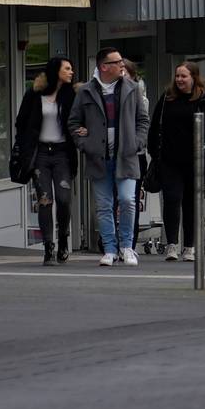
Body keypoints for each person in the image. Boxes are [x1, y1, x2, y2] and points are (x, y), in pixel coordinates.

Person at [72, 47, 150, 266]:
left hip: (126, 155)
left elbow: (143, 120)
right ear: (104, 67)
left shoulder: (132, 88)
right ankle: (109, 249)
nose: (122, 65)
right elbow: (73, 122)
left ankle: (127, 247)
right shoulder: (86, 91)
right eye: (118, 62)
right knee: (104, 205)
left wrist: (137, 142)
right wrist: (83, 143)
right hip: (98, 157)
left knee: (128, 200)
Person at [15, 57, 79, 265]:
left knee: (63, 199)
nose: (71, 72)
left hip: (62, 154)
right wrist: (24, 148)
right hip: (40, 153)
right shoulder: (35, 94)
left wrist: (83, 130)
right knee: (45, 200)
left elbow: (80, 120)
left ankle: (63, 240)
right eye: (67, 68)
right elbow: (21, 122)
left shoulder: (72, 95)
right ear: (55, 71)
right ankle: (48, 247)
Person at [147, 64, 205, 261]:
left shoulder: (204, 99)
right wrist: (154, 154)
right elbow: (155, 125)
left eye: (184, 76)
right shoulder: (167, 98)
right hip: (169, 160)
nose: (179, 79)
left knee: (190, 203)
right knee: (172, 199)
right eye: (177, 76)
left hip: (195, 161)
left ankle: (189, 246)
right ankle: (172, 244)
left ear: (194, 78)